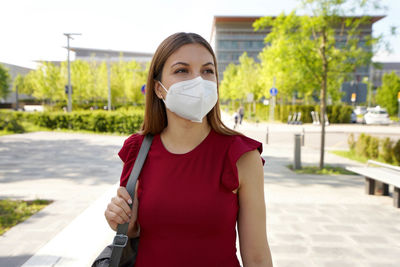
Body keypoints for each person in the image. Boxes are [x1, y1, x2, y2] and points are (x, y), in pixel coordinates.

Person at [104, 32, 273, 267]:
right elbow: (133, 231)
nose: (198, 81)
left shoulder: (242, 156)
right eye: (182, 70)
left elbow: (257, 258)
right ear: (158, 88)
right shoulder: (137, 149)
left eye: (207, 71)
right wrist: (122, 220)